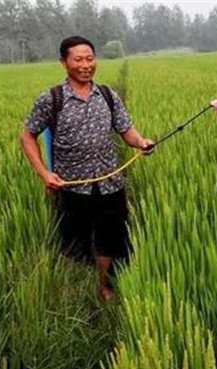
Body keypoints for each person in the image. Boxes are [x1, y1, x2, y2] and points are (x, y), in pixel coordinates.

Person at [19, 36, 154, 301]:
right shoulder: (52, 99)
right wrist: (44, 173)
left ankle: (104, 286)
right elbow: (27, 136)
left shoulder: (107, 95)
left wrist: (141, 142)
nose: (85, 65)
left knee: (110, 238)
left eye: (89, 59)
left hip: (110, 182)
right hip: (72, 187)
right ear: (64, 62)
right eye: (78, 59)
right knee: (75, 242)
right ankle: (75, 288)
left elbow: (126, 130)